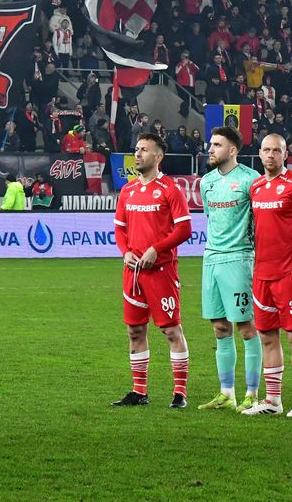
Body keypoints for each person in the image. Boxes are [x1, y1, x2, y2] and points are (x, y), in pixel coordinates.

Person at [241, 134, 292, 417]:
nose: (271, 155)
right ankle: (273, 401)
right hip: (262, 274)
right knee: (266, 337)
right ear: (260, 153)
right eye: (266, 150)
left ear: (285, 154)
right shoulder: (256, 187)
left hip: (290, 273)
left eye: (276, 151)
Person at [112, 134, 193, 408]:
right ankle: (139, 392)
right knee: (135, 330)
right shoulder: (128, 190)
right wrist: (126, 252)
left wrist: (156, 249)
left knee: (171, 331)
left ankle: (180, 393)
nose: (137, 154)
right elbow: (120, 229)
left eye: (144, 150)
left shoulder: (170, 189)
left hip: (161, 272)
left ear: (158, 157)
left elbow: (184, 229)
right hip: (133, 273)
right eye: (136, 149)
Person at [196, 126, 263, 412]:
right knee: (220, 327)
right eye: (211, 144)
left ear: (233, 150)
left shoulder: (251, 180)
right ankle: (226, 393)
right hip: (211, 260)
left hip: (239, 259)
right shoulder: (206, 182)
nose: (210, 149)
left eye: (217, 145)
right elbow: (211, 218)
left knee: (247, 328)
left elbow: (260, 224)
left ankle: (252, 393)